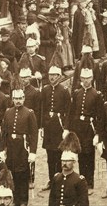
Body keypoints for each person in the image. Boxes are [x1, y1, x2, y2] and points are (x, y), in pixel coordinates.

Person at [65, 63, 103, 194]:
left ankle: (90, 184)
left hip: (89, 128)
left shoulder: (96, 95)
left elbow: (100, 116)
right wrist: (67, 129)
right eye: (83, 78)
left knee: (89, 156)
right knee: (80, 155)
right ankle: (82, 182)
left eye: (87, 78)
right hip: (78, 128)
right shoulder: (76, 93)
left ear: (91, 79)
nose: (85, 81)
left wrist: (98, 134)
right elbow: (71, 112)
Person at [0, 85, 38, 206]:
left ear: (24, 98)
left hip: (23, 148)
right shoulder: (8, 113)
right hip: (11, 149)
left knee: (23, 175)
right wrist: (2, 149)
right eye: (15, 98)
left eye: (20, 98)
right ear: (12, 98)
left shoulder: (29, 113)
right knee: (12, 174)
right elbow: (4, 133)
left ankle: (23, 201)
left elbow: (34, 134)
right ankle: (15, 200)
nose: (18, 101)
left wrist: (33, 152)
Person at [40, 63, 71, 192]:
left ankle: (60, 179)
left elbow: (68, 111)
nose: (52, 77)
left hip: (59, 126)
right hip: (48, 126)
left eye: (55, 75)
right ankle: (51, 179)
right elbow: (42, 109)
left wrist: (66, 128)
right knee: (49, 155)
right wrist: (41, 126)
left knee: (59, 154)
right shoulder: (45, 90)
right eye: (50, 75)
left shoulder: (64, 91)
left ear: (59, 76)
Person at [48, 132, 88, 206]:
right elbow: (52, 201)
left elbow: (83, 203)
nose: (64, 163)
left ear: (74, 162)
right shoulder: (56, 178)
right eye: (63, 160)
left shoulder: (80, 180)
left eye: (68, 160)